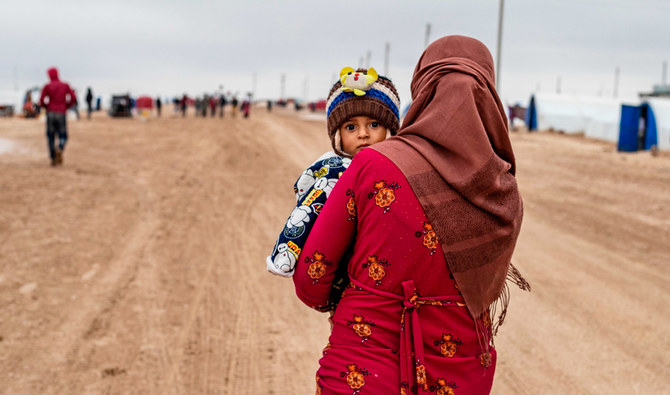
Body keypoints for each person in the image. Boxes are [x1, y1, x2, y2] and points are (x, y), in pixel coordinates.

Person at [293, 36, 529, 394]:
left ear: (422, 91)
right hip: (459, 376)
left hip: (362, 373)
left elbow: (311, 278)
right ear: (490, 97)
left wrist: (354, 295)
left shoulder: (373, 164)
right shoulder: (502, 193)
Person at [267, 67, 400, 312]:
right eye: (351, 127)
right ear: (337, 135)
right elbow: (304, 214)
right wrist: (282, 256)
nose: (363, 134)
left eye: (373, 124)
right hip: (347, 285)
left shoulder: (401, 170)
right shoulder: (334, 171)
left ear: (390, 130)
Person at [39, 67, 76, 166]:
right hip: (61, 112)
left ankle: (53, 157)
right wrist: (65, 106)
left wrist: (47, 107)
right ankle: (60, 147)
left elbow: (41, 100)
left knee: (50, 136)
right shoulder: (64, 85)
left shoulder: (47, 86)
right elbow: (73, 98)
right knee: (63, 134)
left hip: (50, 113)